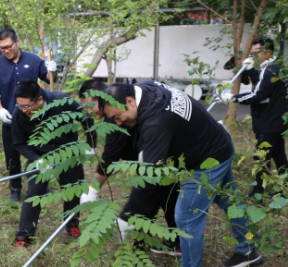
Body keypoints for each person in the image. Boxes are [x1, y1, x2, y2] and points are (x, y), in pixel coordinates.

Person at [103, 82, 263, 267]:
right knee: (230, 201)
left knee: (186, 217)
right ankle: (248, 252)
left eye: (117, 116)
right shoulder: (147, 88)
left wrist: (127, 217)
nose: (118, 123)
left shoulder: (156, 122)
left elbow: (150, 179)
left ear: (130, 101)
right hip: (218, 142)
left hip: (206, 160)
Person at [78, 80, 180, 255]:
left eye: (91, 105)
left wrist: (93, 189)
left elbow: (109, 158)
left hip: (157, 155)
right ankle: (150, 242)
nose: (88, 111)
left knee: (159, 195)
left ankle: (172, 243)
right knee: (157, 197)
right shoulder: (120, 106)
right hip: (150, 155)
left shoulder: (115, 117)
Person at [11, 81, 96, 248]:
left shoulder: (64, 102)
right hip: (40, 156)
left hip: (68, 152)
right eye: (19, 105)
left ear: (40, 100)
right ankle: (24, 235)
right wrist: (37, 159)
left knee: (72, 189)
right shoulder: (19, 114)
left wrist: (91, 145)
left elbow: (86, 119)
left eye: (27, 106)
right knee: (34, 193)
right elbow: (18, 143)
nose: (23, 110)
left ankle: (71, 225)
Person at [0, 28, 57, 201]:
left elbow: (50, 80)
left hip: (33, 118)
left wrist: (52, 70)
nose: (6, 51)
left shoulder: (33, 60)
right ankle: (15, 188)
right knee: (12, 155)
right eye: (2, 48)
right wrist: (1, 109)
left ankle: (39, 186)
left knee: (37, 153)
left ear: (17, 42)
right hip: (10, 119)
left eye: (9, 46)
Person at [224, 37, 288, 196]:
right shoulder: (274, 67)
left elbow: (259, 95)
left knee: (261, 159)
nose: (254, 56)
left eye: (257, 52)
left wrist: (233, 97)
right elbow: (263, 87)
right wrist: (251, 70)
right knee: (279, 156)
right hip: (277, 121)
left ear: (268, 52)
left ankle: (257, 195)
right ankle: (285, 187)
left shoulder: (271, 69)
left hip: (269, 122)